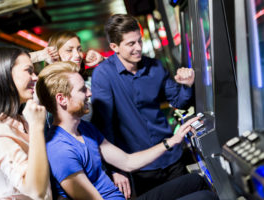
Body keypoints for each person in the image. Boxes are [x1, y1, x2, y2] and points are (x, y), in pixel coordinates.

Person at [35, 61, 218, 200]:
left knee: (196, 180)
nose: (90, 93)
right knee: (205, 198)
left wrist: (173, 140)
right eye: (83, 90)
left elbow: (128, 161)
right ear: (62, 99)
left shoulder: (85, 128)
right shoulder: (59, 150)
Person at [91, 14, 195, 198]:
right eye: (131, 44)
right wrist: (116, 168)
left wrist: (186, 85)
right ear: (114, 47)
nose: (139, 48)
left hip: (172, 157)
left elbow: (179, 101)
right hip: (139, 168)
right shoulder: (103, 75)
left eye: (139, 41)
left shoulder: (155, 67)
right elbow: (103, 127)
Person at [0, 47, 51, 200]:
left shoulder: (20, 120)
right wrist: (36, 127)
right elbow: (35, 190)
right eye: (29, 71)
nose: (35, 77)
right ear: (6, 76)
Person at [30, 30, 104, 122]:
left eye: (79, 49)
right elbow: (9, 66)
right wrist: (38, 56)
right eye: (69, 50)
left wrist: (103, 60)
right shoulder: (43, 84)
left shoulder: (87, 79)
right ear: (54, 53)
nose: (77, 55)